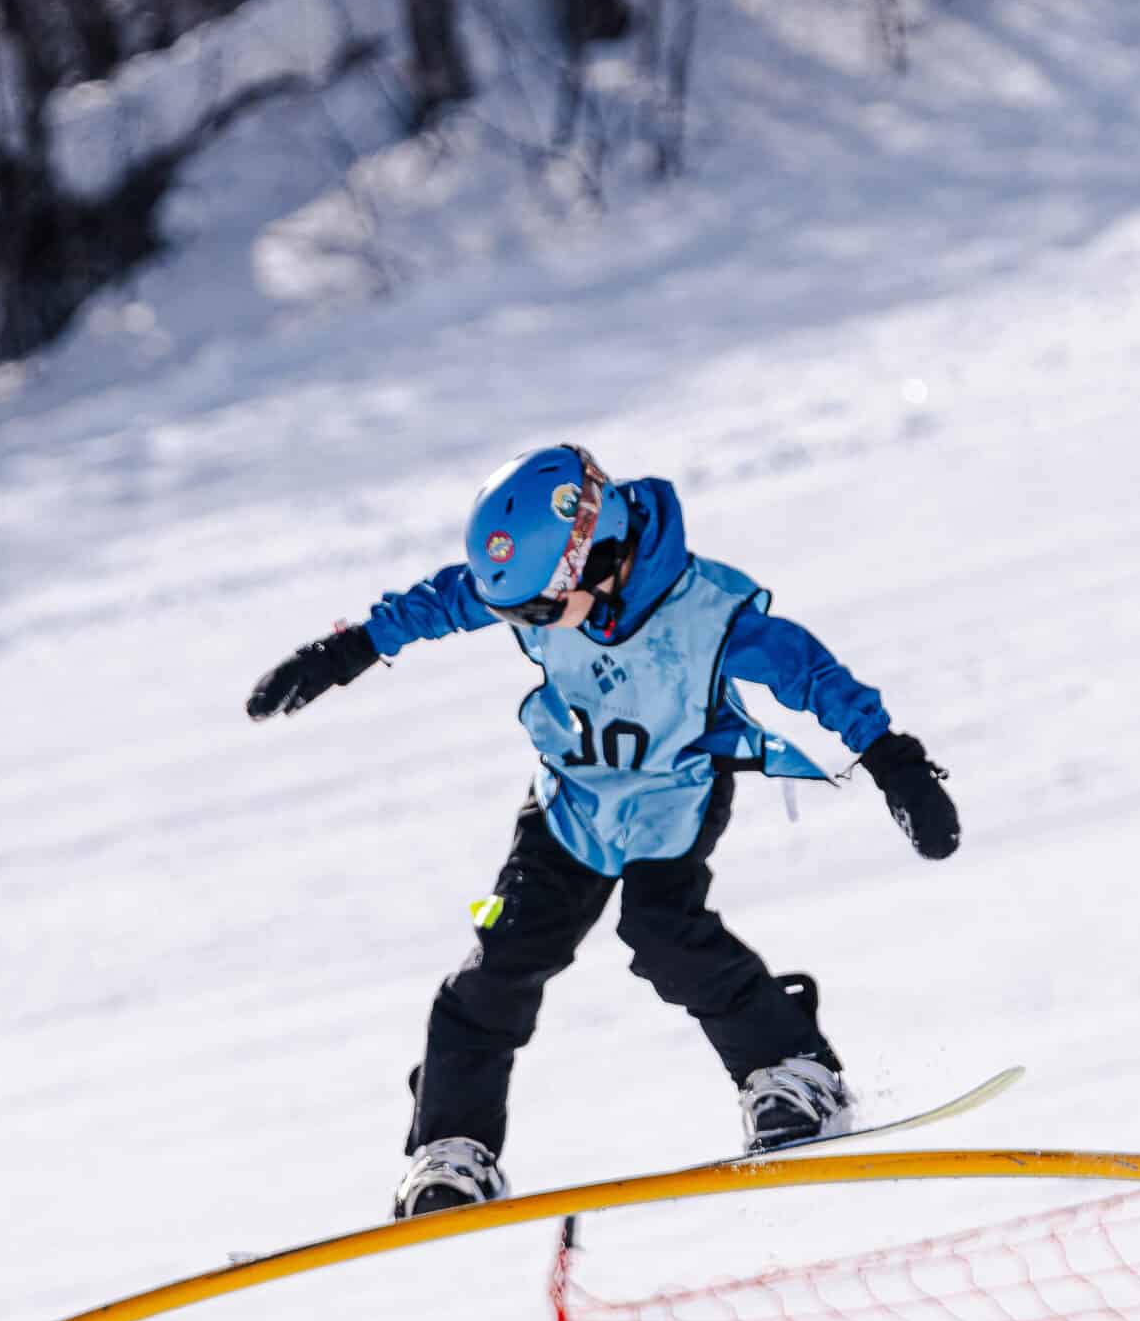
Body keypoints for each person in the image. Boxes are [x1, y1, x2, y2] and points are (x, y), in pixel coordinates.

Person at [247, 445, 959, 1217]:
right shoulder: (543, 591)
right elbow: (446, 600)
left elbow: (810, 672)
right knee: (502, 959)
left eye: (540, 612)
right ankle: (454, 1149)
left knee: (663, 934)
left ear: (603, 556)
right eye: (516, 614)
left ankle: (793, 1071)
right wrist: (349, 649)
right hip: (571, 799)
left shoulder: (707, 614)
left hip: (672, 795)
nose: (525, 626)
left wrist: (893, 759)